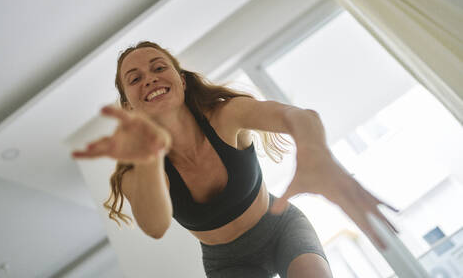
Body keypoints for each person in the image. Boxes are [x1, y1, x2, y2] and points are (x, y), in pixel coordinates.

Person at [71, 41, 398, 278]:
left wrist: (315, 153)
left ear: (181, 81)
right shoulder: (136, 173)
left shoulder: (226, 117)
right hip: (227, 263)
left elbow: (297, 116)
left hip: (281, 228)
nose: (150, 78)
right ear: (129, 105)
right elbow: (154, 224)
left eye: (158, 67)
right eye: (135, 78)